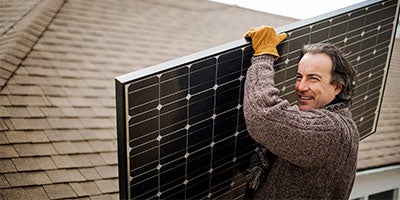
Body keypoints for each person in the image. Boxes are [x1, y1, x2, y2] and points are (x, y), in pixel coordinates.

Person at [243, 26, 359, 199]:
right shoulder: (341, 123)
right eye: (299, 76)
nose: (301, 87)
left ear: (337, 88)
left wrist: (263, 56)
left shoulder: (330, 130)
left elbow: (263, 115)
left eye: (313, 78)